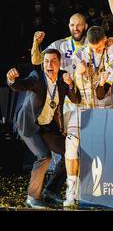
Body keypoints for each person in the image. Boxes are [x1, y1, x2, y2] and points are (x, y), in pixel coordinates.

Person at [6, 49, 81, 208]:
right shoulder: (37, 77)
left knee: (69, 153)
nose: (49, 64)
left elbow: (76, 99)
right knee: (44, 156)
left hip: (47, 126)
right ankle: (32, 197)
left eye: (53, 61)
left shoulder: (62, 77)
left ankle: (50, 191)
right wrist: (12, 80)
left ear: (59, 63)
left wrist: (70, 84)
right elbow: (21, 85)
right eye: (46, 61)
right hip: (28, 124)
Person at [62, 26, 113, 208]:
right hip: (82, 108)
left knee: (104, 151)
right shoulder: (79, 55)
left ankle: (105, 191)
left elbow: (102, 92)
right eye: (92, 47)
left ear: (105, 40)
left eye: (99, 46)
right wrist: (77, 75)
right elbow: (73, 91)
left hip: (105, 109)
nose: (96, 50)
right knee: (71, 144)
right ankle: (71, 191)